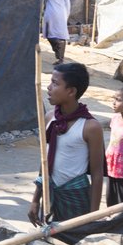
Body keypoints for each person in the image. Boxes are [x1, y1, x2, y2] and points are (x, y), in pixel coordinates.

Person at [27, 62, 105, 225]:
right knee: (48, 234)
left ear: (71, 91)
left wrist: (93, 216)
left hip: (75, 196)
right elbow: (45, 161)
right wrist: (35, 200)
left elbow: (97, 174)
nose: (49, 87)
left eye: (55, 83)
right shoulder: (49, 118)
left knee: (75, 236)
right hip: (50, 193)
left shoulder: (90, 127)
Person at [42, 0, 71, 64]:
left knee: (49, 34)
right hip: (62, 12)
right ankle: (60, 58)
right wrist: (67, 14)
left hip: (50, 12)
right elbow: (67, 1)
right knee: (61, 35)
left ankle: (57, 52)